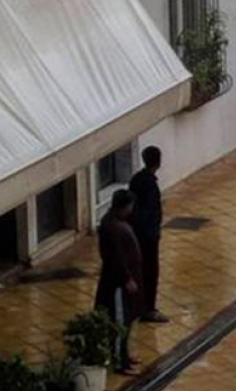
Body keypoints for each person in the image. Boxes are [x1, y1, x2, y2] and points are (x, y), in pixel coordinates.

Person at [94, 189, 142, 374]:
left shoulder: (115, 222)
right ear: (123, 206)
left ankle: (124, 354)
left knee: (126, 321)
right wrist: (127, 278)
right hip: (117, 284)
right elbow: (116, 258)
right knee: (119, 321)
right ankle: (120, 362)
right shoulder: (112, 227)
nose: (131, 210)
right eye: (130, 206)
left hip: (122, 281)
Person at [128, 146, 167, 324]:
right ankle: (148, 309)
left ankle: (138, 306)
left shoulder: (136, 179)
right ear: (158, 162)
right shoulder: (149, 184)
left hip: (138, 233)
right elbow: (149, 212)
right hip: (148, 236)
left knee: (140, 271)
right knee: (150, 271)